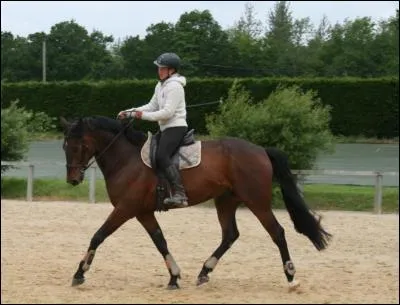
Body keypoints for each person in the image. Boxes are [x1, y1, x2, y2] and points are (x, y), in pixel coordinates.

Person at [117, 52, 189, 208]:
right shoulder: (160, 85)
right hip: (165, 128)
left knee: (162, 155)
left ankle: (180, 194)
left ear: (172, 70)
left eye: (163, 68)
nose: (159, 71)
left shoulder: (175, 87)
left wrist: (140, 115)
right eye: (159, 68)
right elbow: (151, 106)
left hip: (176, 127)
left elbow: (167, 113)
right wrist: (130, 112)